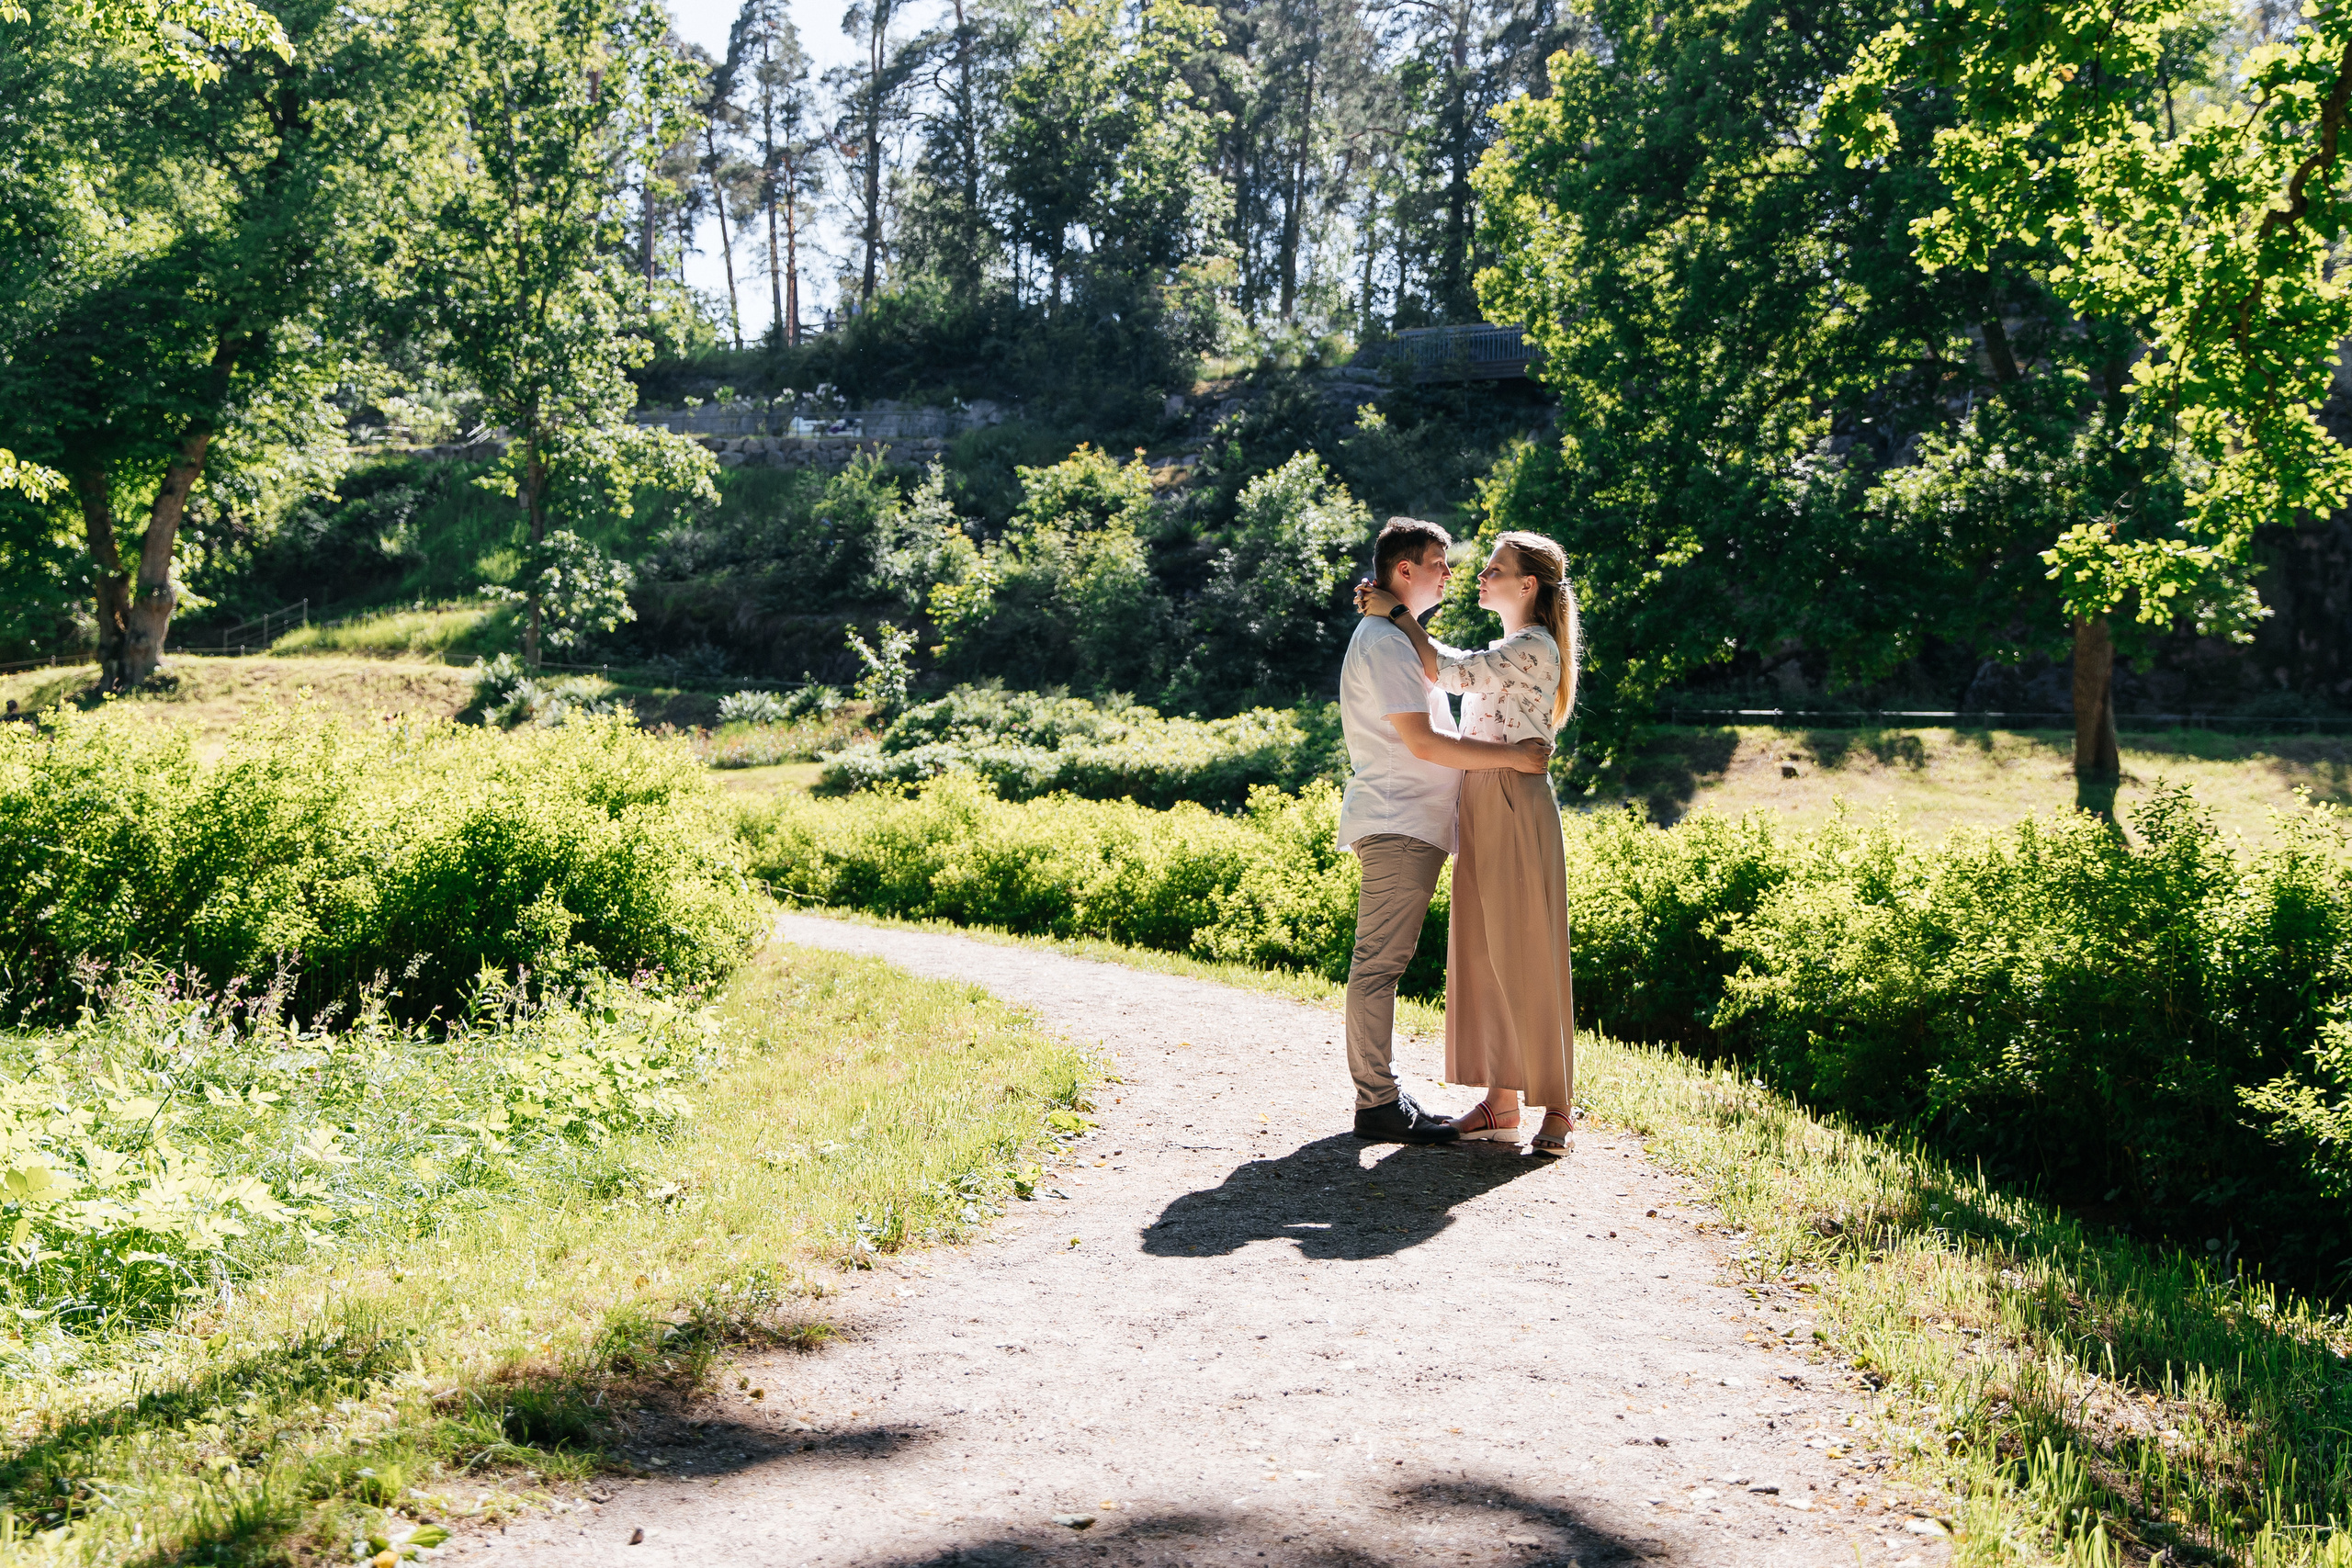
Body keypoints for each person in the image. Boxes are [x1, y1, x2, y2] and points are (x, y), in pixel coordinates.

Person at [1358, 531, 1580, 1156]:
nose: (1478, 575)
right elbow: (1455, 668)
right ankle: (1500, 1098)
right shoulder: (1515, 645)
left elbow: (1448, 672)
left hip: (1513, 798)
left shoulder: (1534, 645)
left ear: (1526, 585)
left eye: (1494, 568)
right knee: (1482, 952)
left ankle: (1558, 1107)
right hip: (1481, 801)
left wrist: (1396, 613)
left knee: (1528, 948)